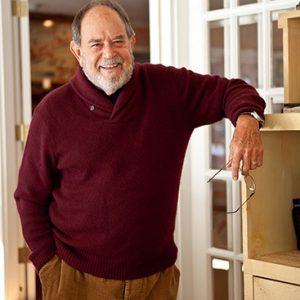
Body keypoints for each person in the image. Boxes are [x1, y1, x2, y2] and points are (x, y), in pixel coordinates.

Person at [14, 0, 265, 299]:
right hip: (75, 279)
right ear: (77, 52)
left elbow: (232, 90)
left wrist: (248, 119)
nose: (109, 53)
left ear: (132, 42)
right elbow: (29, 197)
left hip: (156, 281)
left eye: (117, 40)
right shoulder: (52, 112)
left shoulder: (168, 88)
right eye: (96, 44)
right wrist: (49, 266)